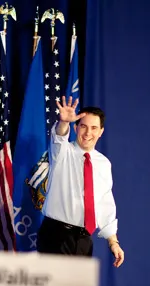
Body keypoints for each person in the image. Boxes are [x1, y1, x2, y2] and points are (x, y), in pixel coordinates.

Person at [37, 96, 125, 267]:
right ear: (75, 127)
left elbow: (105, 203)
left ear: (101, 131)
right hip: (56, 236)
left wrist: (113, 242)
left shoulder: (103, 163)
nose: (88, 133)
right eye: (83, 126)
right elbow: (59, 138)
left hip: (84, 239)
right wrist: (63, 123)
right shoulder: (62, 152)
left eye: (94, 128)